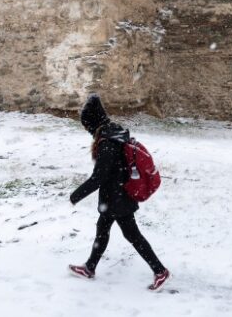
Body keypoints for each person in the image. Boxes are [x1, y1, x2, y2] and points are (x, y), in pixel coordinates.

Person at [68, 94, 170, 291]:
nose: (87, 130)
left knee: (132, 236)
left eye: (87, 125)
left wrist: (75, 196)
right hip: (115, 196)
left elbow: (98, 178)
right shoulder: (113, 134)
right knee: (103, 231)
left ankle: (160, 271)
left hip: (117, 198)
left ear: (93, 122)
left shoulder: (107, 143)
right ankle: (90, 267)